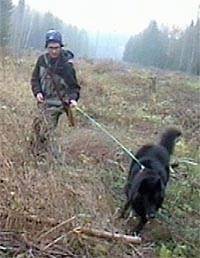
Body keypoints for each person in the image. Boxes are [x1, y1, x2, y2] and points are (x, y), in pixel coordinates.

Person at [30, 29, 81, 158]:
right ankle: (35, 153)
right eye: (51, 47)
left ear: (61, 47)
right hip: (44, 102)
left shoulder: (66, 65)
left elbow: (74, 87)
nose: (53, 51)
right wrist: (37, 92)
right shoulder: (41, 60)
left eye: (56, 48)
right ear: (46, 47)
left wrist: (73, 99)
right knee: (36, 128)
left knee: (45, 130)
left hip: (59, 104)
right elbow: (35, 79)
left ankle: (45, 157)